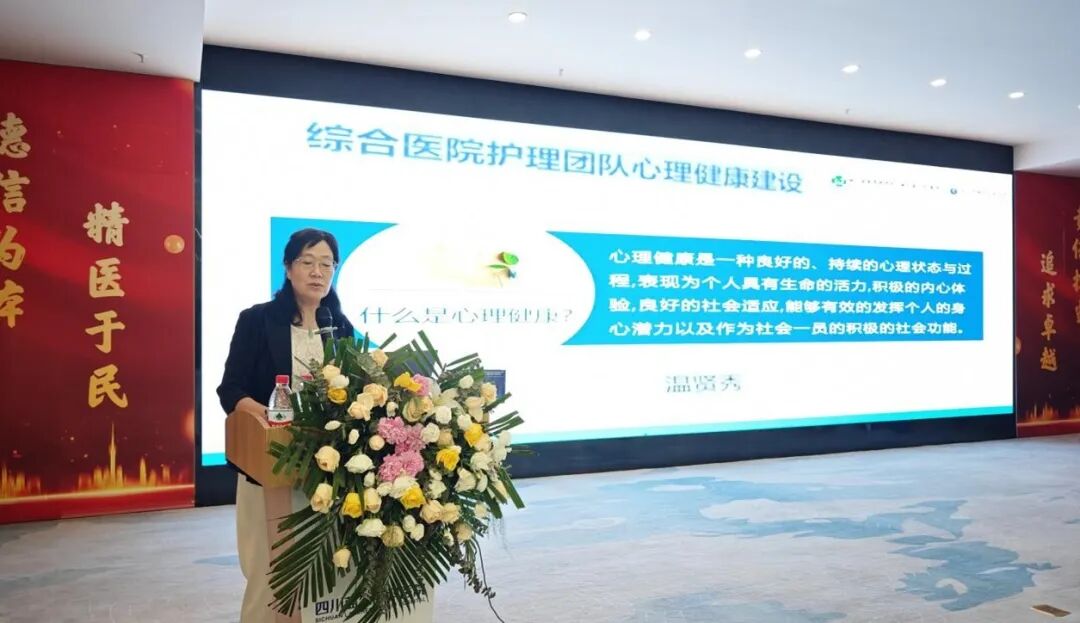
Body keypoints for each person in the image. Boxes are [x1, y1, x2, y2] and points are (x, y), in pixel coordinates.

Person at [217, 228, 355, 623]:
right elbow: (231, 389)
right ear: (288, 267)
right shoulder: (258, 320)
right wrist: (267, 417)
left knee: (316, 569)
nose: (317, 272)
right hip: (269, 459)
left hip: (323, 468)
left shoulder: (339, 325)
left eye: (326, 264)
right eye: (307, 262)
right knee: (268, 568)